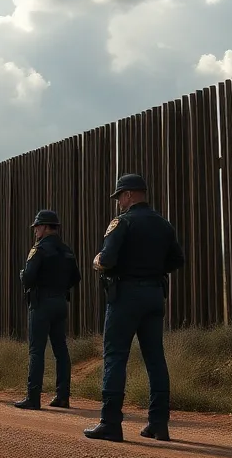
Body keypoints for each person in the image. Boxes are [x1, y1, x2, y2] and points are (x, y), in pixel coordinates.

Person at [85, 173, 186, 442]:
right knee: (155, 358)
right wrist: (152, 270)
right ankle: (158, 423)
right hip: (154, 294)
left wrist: (97, 261)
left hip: (126, 296)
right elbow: (177, 259)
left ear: (129, 195)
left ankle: (110, 423)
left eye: (120, 197)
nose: (118, 202)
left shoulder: (122, 222)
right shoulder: (163, 224)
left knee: (116, 356)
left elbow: (107, 259)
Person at [15, 210, 81, 410]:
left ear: (44, 227)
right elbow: (76, 278)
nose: (35, 230)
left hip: (41, 303)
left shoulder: (40, 249)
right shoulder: (66, 250)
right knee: (61, 350)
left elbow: (28, 278)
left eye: (37, 227)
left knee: (36, 350)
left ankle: (33, 397)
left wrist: (23, 274)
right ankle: (62, 396)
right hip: (60, 302)